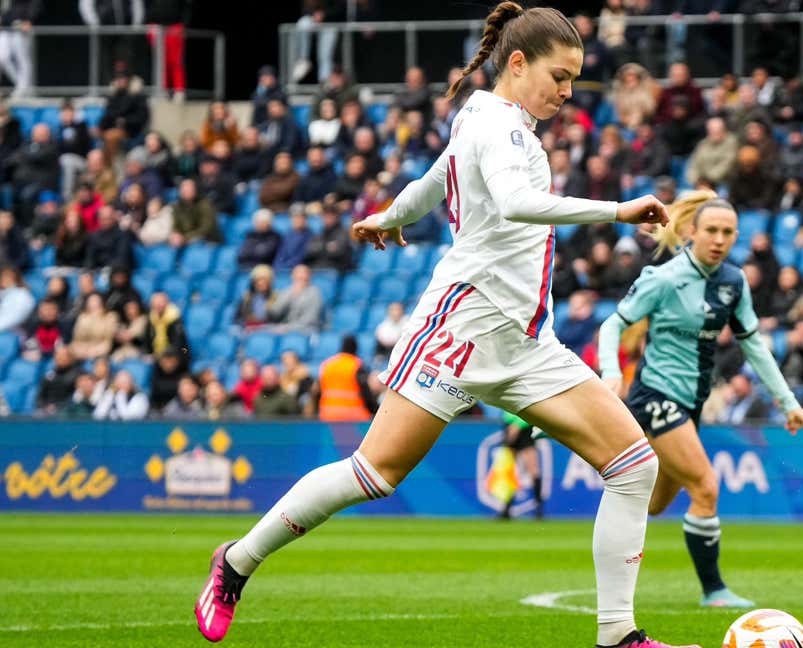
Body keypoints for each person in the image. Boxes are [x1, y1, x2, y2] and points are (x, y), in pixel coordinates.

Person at [194, 6, 687, 648]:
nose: (566, 92)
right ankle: (236, 562)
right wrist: (620, 210)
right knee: (373, 473)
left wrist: (388, 214)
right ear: (518, 63)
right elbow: (512, 202)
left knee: (632, 464)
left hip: (526, 342)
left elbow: (435, 180)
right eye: (559, 76)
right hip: (460, 330)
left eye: (572, 80)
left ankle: (618, 637)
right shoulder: (505, 129)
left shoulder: (480, 115)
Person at [597, 191, 803, 610]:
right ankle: (714, 590)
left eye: (728, 233)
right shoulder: (662, 279)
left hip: (691, 404)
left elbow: (754, 346)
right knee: (705, 487)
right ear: (691, 232)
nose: (718, 239)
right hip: (656, 396)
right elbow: (611, 326)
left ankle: (612, 543)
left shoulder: (734, 282)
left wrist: (788, 402)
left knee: (654, 503)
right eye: (711, 230)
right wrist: (611, 373)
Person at [497, 410, 545, 520]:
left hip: (524, 428)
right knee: (511, 470)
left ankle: (539, 509)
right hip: (510, 425)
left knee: (533, 470)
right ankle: (506, 508)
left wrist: (518, 424)